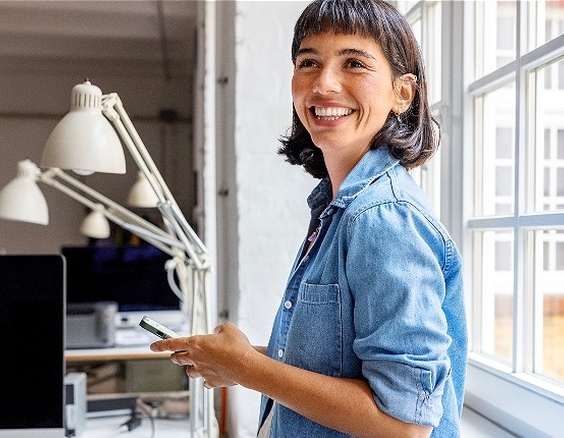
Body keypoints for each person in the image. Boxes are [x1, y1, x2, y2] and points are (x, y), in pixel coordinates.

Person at [150, 0, 467, 437]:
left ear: (402, 93)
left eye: (354, 62)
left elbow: (404, 425)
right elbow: (338, 363)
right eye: (308, 62)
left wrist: (247, 367)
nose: (324, 83)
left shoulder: (382, 217)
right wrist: (236, 362)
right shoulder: (338, 209)